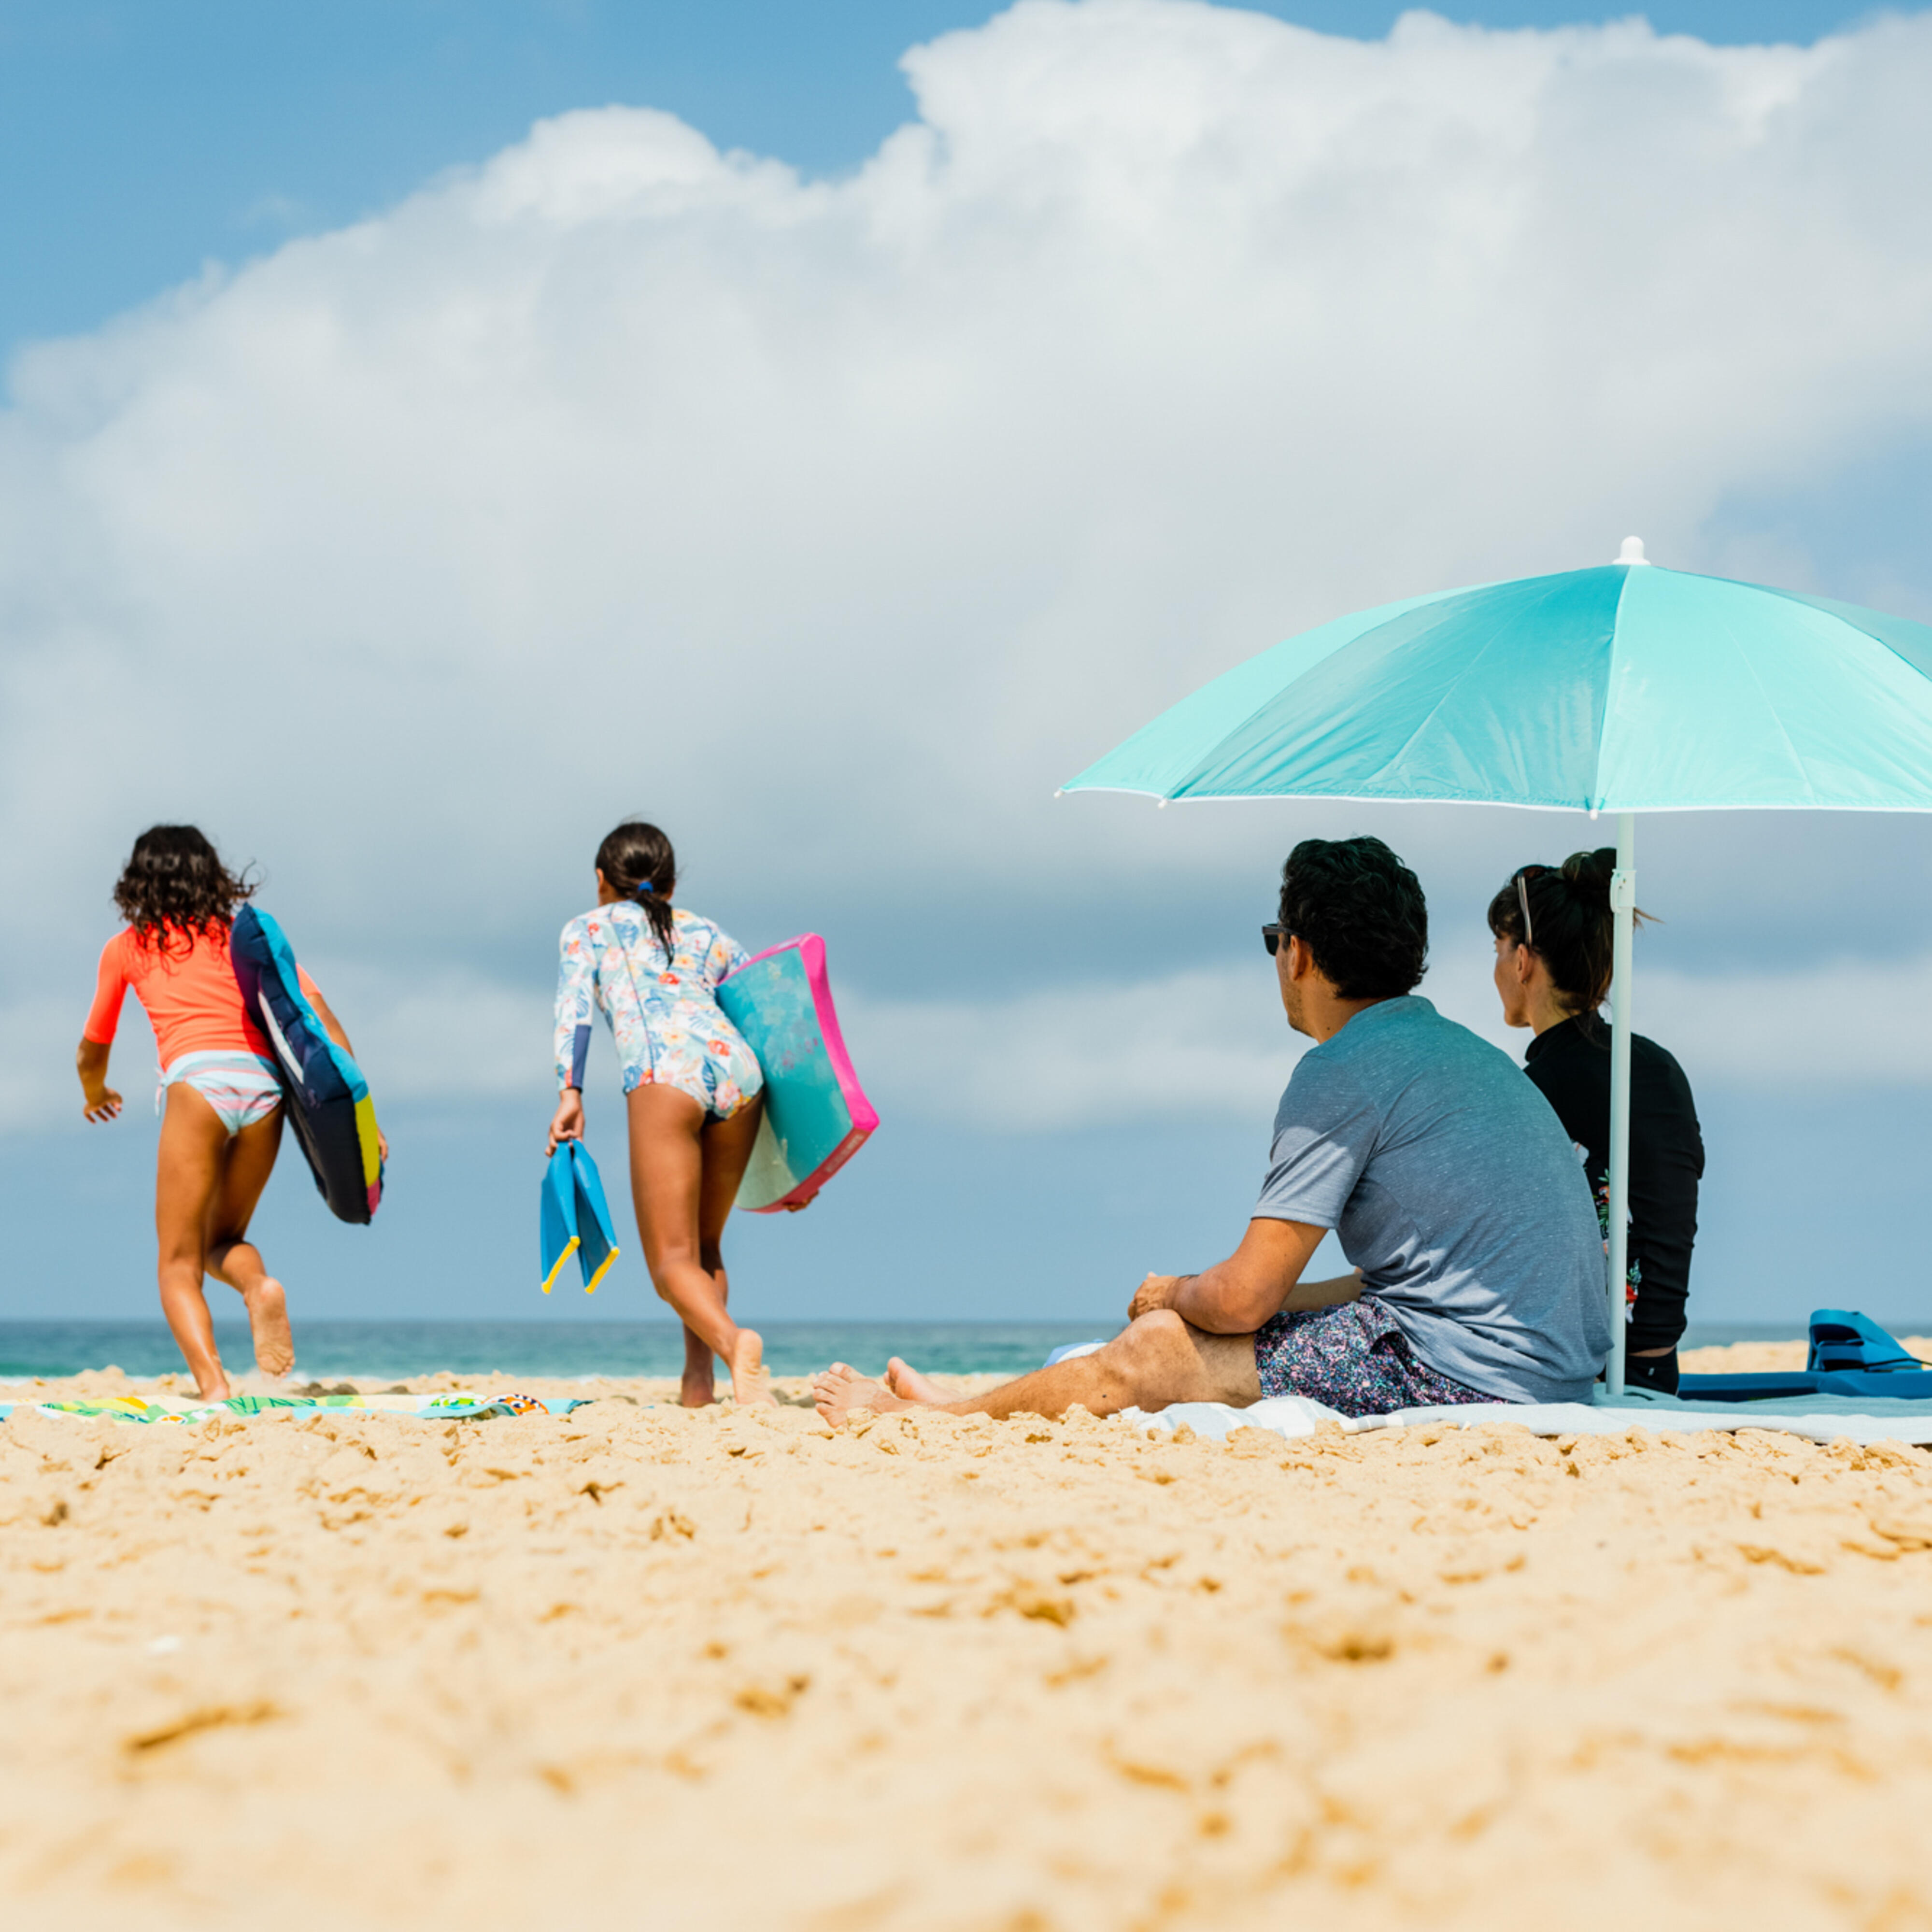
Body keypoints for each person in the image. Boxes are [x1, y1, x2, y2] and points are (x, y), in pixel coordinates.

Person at [814, 836, 1611, 1429]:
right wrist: (1250, 1309)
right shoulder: (1464, 1057)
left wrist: (1174, 1293)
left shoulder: (1345, 1069)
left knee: (1158, 1345)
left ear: (1298, 954)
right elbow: (1394, 1283)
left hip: (1467, 1378)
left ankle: (929, 1422)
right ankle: (964, 1402)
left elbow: (1241, 1300)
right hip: (1554, 1371)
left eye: (1276, 942)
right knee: (1212, 1331)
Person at [76, 824, 377, 1399]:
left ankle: (215, 1387)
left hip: (199, 1087)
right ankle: (259, 1285)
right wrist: (361, 1118)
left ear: (139, 880)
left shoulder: (129, 946)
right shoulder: (242, 939)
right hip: (265, 1093)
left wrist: (96, 1092)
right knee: (223, 1240)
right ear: (212, 874)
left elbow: (94, 1047)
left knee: (178, 1263)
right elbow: (321, 1020)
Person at [547, 820, 777, 1408]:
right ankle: (698, 1386)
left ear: (601, 880)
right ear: (670, 884)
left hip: (664, 1075)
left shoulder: (587, 929)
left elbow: (573, 1012)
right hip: (742, 1074)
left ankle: (734, 1344)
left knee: (669, 1263)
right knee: (703, 1245)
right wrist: (802, 1161)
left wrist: (570, 1092)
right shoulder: (707, 932)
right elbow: (763, 1010)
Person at [1490, 850, 1705, 1395]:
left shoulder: (1535, 1090)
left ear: (1522, 962)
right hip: (1656, 1366)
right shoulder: (1655, 1068)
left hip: (1574, 1368)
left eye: (1497, 948)